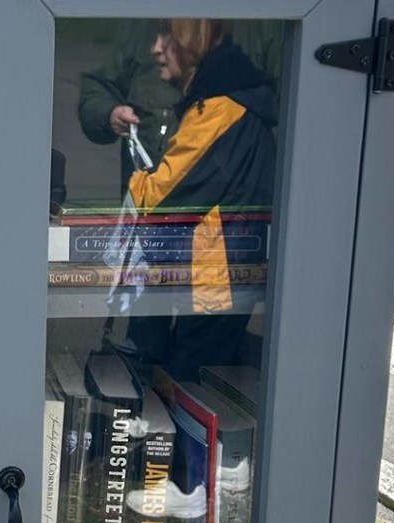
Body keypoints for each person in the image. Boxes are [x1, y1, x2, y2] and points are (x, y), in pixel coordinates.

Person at [121, 18, 278, 373]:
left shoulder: (218, 110)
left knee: (191, 393)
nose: (155, 48)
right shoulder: (232, 100)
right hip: (225, 274)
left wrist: (135, 181)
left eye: (166, 36)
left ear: (193, 41)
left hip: (217, 283)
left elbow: (158, 201)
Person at [78, 20, 184, 195]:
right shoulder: (139, 23)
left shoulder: (234, 26)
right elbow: (98, 87)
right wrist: (109, 113)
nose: (156, 49)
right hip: (142, 204)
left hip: (209, 209)